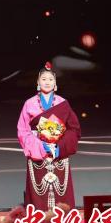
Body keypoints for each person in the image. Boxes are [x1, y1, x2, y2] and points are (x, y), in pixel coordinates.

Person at [17, 62, 81, 211]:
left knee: (61, 195)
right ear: (38, 82)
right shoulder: (29, 103)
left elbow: (74, 129)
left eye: (51, 79)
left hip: (59, 155)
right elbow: (23, 131)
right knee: (38, 196)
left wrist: (60, 147)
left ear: (55, 84)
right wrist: (40, 146)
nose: (47, 82)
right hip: (38, 154)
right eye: (44, 79)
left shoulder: (62, 103)